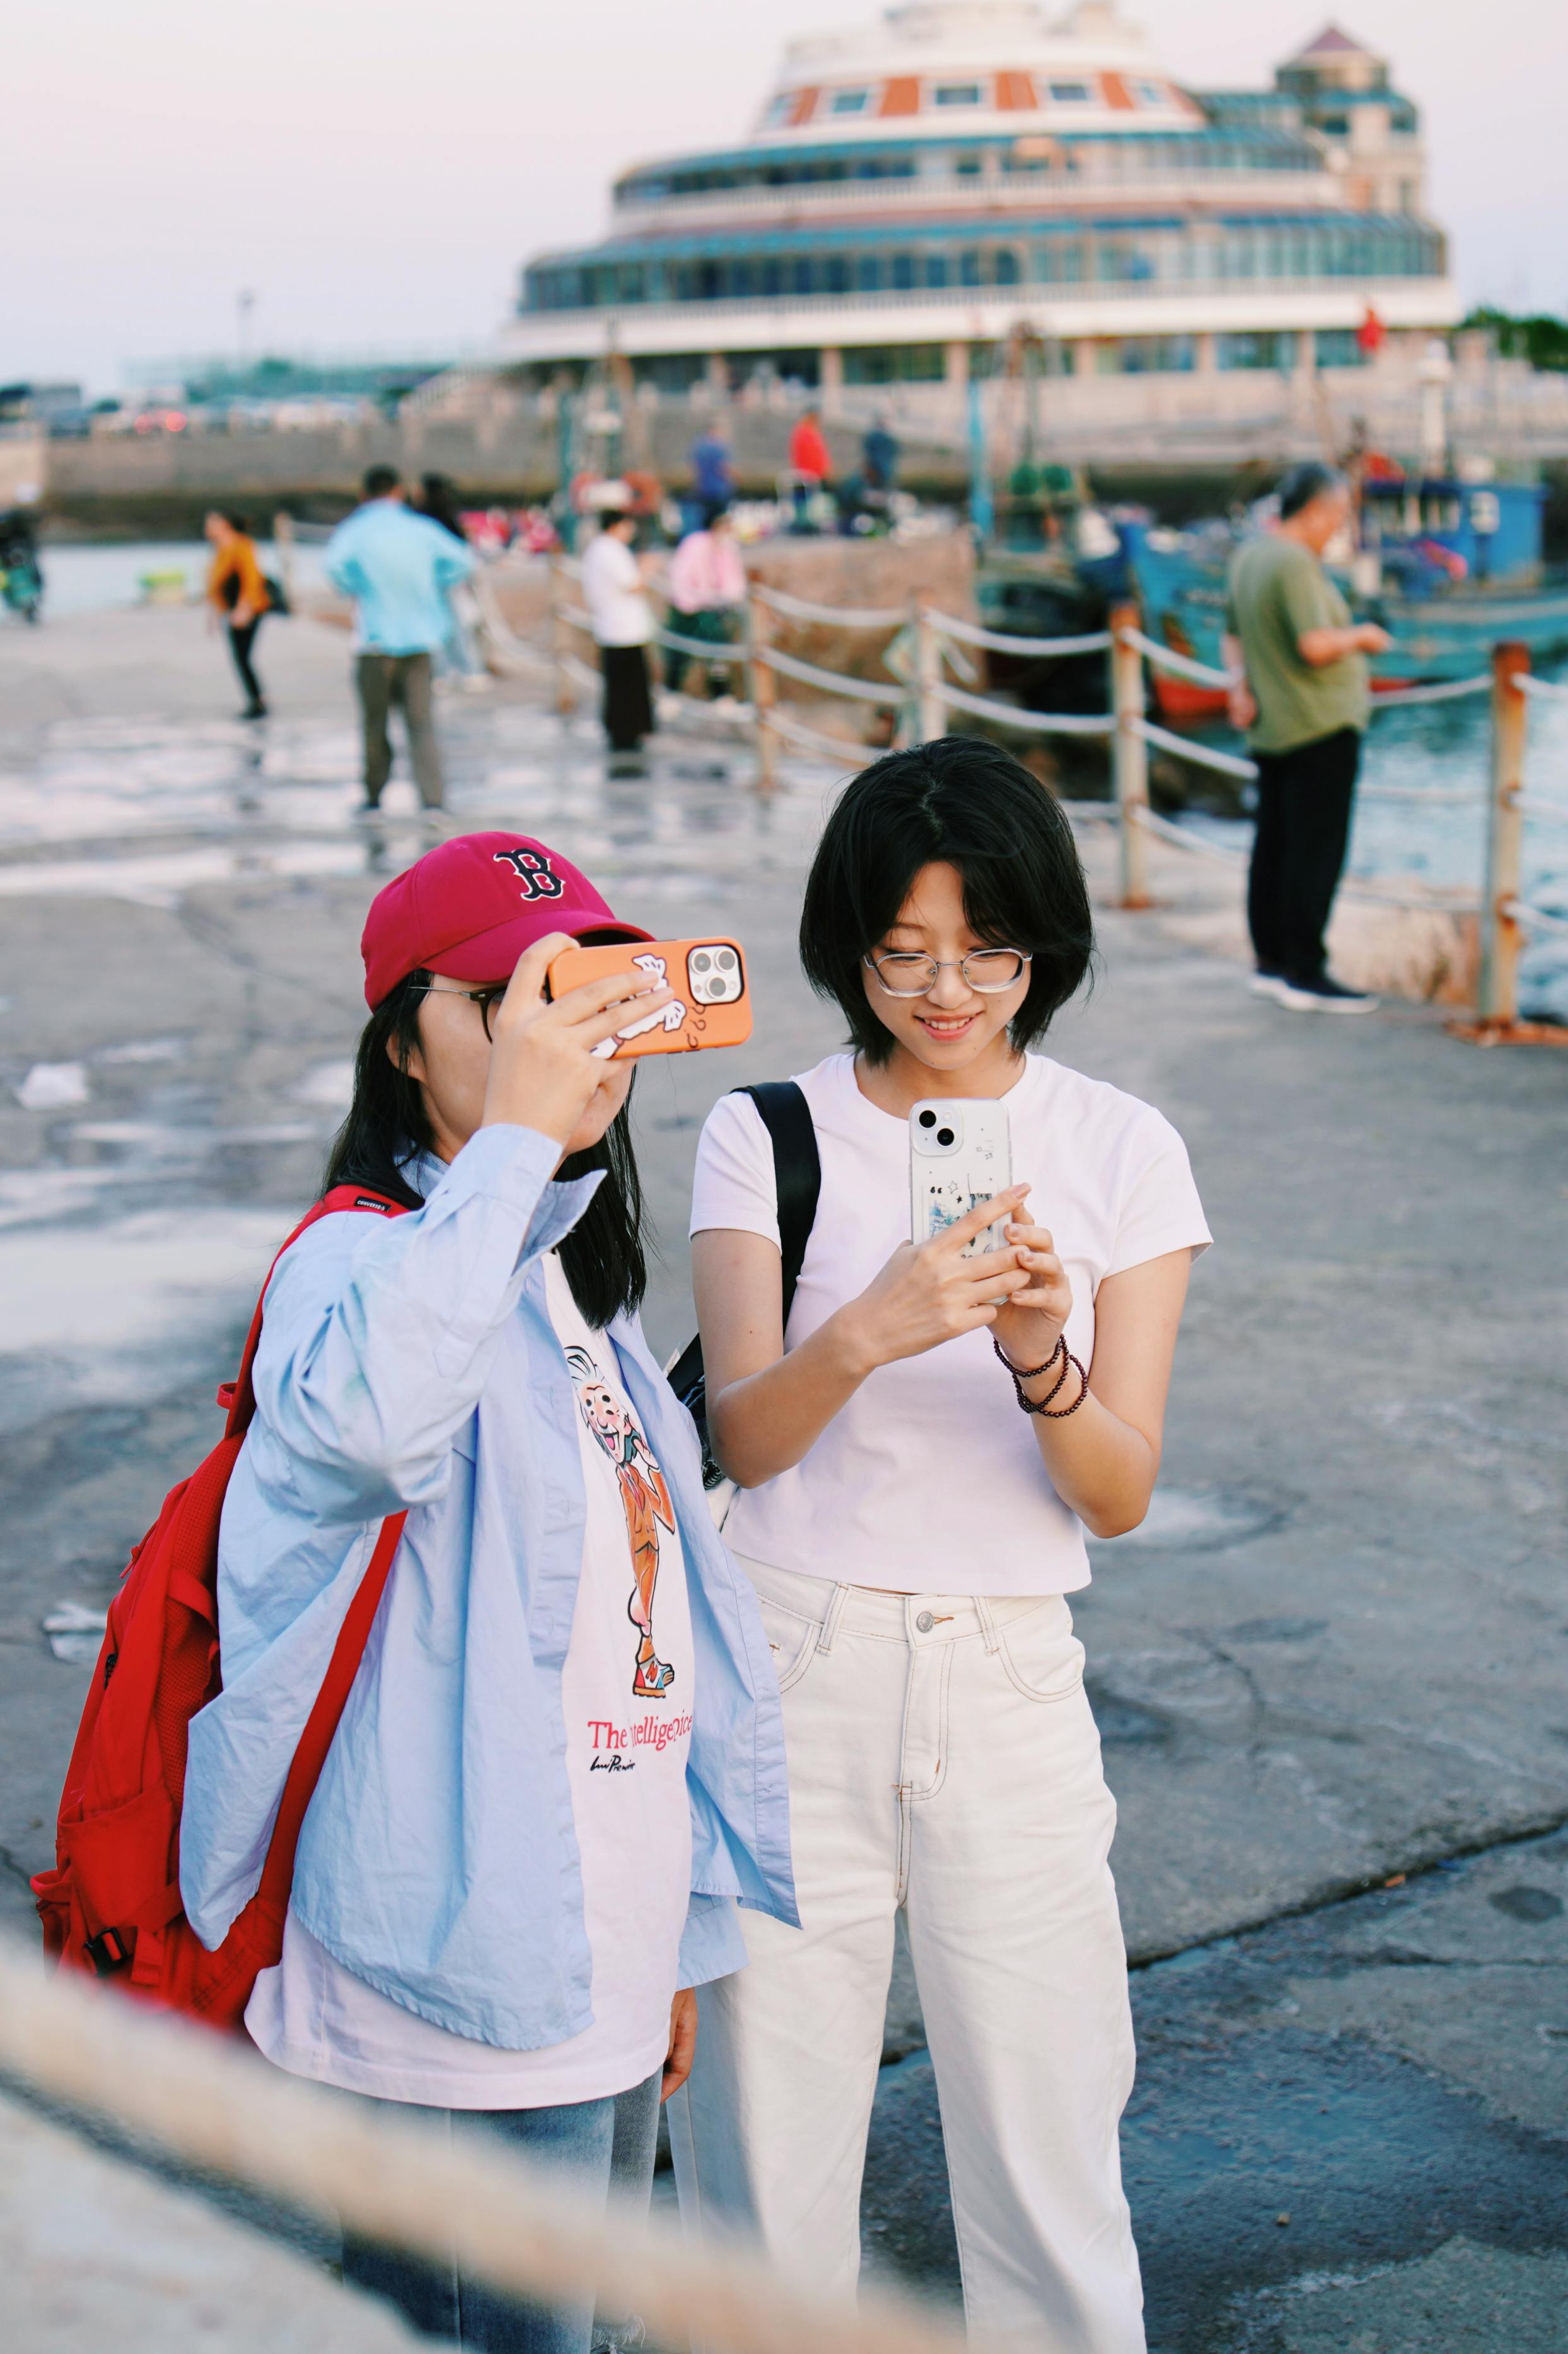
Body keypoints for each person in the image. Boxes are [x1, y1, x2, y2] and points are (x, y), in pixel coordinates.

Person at [178, 829, 796, 2354]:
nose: (574, 1040)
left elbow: (626, 1651)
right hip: (446, 1993)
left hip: (588, 1959)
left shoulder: (572, 1279)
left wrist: (664, 1948)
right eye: (516, 1005)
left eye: (595, 995)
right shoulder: (357, 1269)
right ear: (405, 1041)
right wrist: (520, 1136)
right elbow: (380, 1426)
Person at [671, 737, 1211, 2354]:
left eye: (987, 950)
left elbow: (1113, 1491)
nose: (946, 991)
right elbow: (742, 1443)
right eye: (903, 954)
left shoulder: (1121, 1145)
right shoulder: (758, 1131)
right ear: (850, 947)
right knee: (764, 2169)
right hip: (787, 1657)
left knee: (1049, 2149)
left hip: (1007, 1677)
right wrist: (873, 1328)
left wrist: (1038, 1355)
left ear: (1040, 944)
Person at [1224, 462, 1394, 1014]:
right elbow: (1315, 646)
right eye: (1338, 517)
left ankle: (1272, 964)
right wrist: (1363, 635)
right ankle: (1307, 971)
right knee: (1314, 852)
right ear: (1316, 510)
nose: (1338, 529)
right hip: (1319, 723)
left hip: (1273, 723)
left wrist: (1239, 690)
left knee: (1273, 846)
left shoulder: (1249, 555)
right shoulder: (1294, 562)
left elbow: (1230, 632)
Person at [325, 465, 477, 817]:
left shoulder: (355, 530)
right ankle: (433, 799)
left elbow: (333, 567)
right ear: (399, 492)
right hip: (421, 640)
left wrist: (358, 587)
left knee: (375, 724)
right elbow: (463, 560)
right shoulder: (421, 528)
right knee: (422, 724)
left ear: (365, 494)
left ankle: (374, 796)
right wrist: (434, 584)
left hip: (373, 643)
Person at [580, 513, 657, 767]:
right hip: (623, 629)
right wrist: (647, 569)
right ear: (618, 525)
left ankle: (621, 730)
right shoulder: (611, 550)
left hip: (611, 627)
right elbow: (632, 584)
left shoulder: (596, 550)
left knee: (618, 687)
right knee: (629, 687)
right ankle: (628, 734)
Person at [410, 471, 490, 689]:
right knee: (457, 626)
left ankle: (447, 672)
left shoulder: (423, 520)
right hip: (450, 579)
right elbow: (464, 553)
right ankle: (467, 670)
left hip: (437, 580)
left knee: (444, 627)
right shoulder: (449, 516)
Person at [663, 508, 746, 699]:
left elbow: (735, 582)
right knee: (679, 653)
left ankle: (721, 695)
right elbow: (680, 577)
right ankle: (671, 693)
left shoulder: (728, 549)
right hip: (687, 608)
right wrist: (697, 599)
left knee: (717, 653)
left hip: (713, 609)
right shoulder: (695, 544)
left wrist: (724, 597)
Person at [204, 508, 272, 720]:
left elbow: (252, 579)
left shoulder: (242, 546)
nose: (207, 528)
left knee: (243, 656)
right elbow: (216, 585)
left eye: (211, 523)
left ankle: (258, 702)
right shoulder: (221, 550)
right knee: (240, 657)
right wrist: (216, 613)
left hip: (249, 609)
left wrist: (244, 609)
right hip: (232, 610)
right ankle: (255, 699)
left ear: (224, 524)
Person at [787, 406, 832, 531]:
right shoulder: (805, 433)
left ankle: (806, 522)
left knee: (806, 498)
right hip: (808, 474)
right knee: (805, 498)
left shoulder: (807, 432)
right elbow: (811, 455)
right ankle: (804, 523)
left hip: (810, 473)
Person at [688, 424, 734, 529]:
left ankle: (705, 539)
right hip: (719, 489)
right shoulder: (719, 448)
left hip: (703, 489)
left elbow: (694, 469)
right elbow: (723, 468)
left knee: (705, 518)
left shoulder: (699, 448)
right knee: (720, 518)